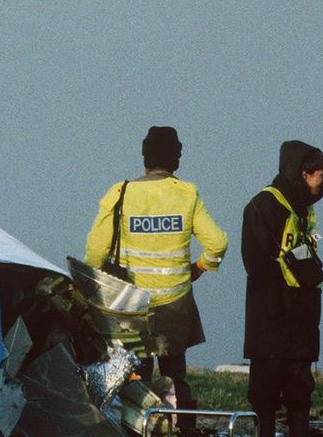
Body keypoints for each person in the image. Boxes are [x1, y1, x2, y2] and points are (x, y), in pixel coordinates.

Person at [85, 126, 228, 415]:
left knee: (136, 377)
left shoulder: (121, 193)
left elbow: (96, 253)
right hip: (175, 307)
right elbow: (218, 243)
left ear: (144, 157)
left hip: (132, 308)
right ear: (177, 158)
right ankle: (182, 434)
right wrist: (200, 267)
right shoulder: (186, 194)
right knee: (176, 375)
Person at [242, 140, 323, 437]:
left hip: (300, 317)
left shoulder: (302, 209)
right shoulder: (263, 206)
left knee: (300, 389)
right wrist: (278, 306)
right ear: (304, 173)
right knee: (264, 391)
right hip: (272, 318)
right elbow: (257, 262)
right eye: (320, 175)